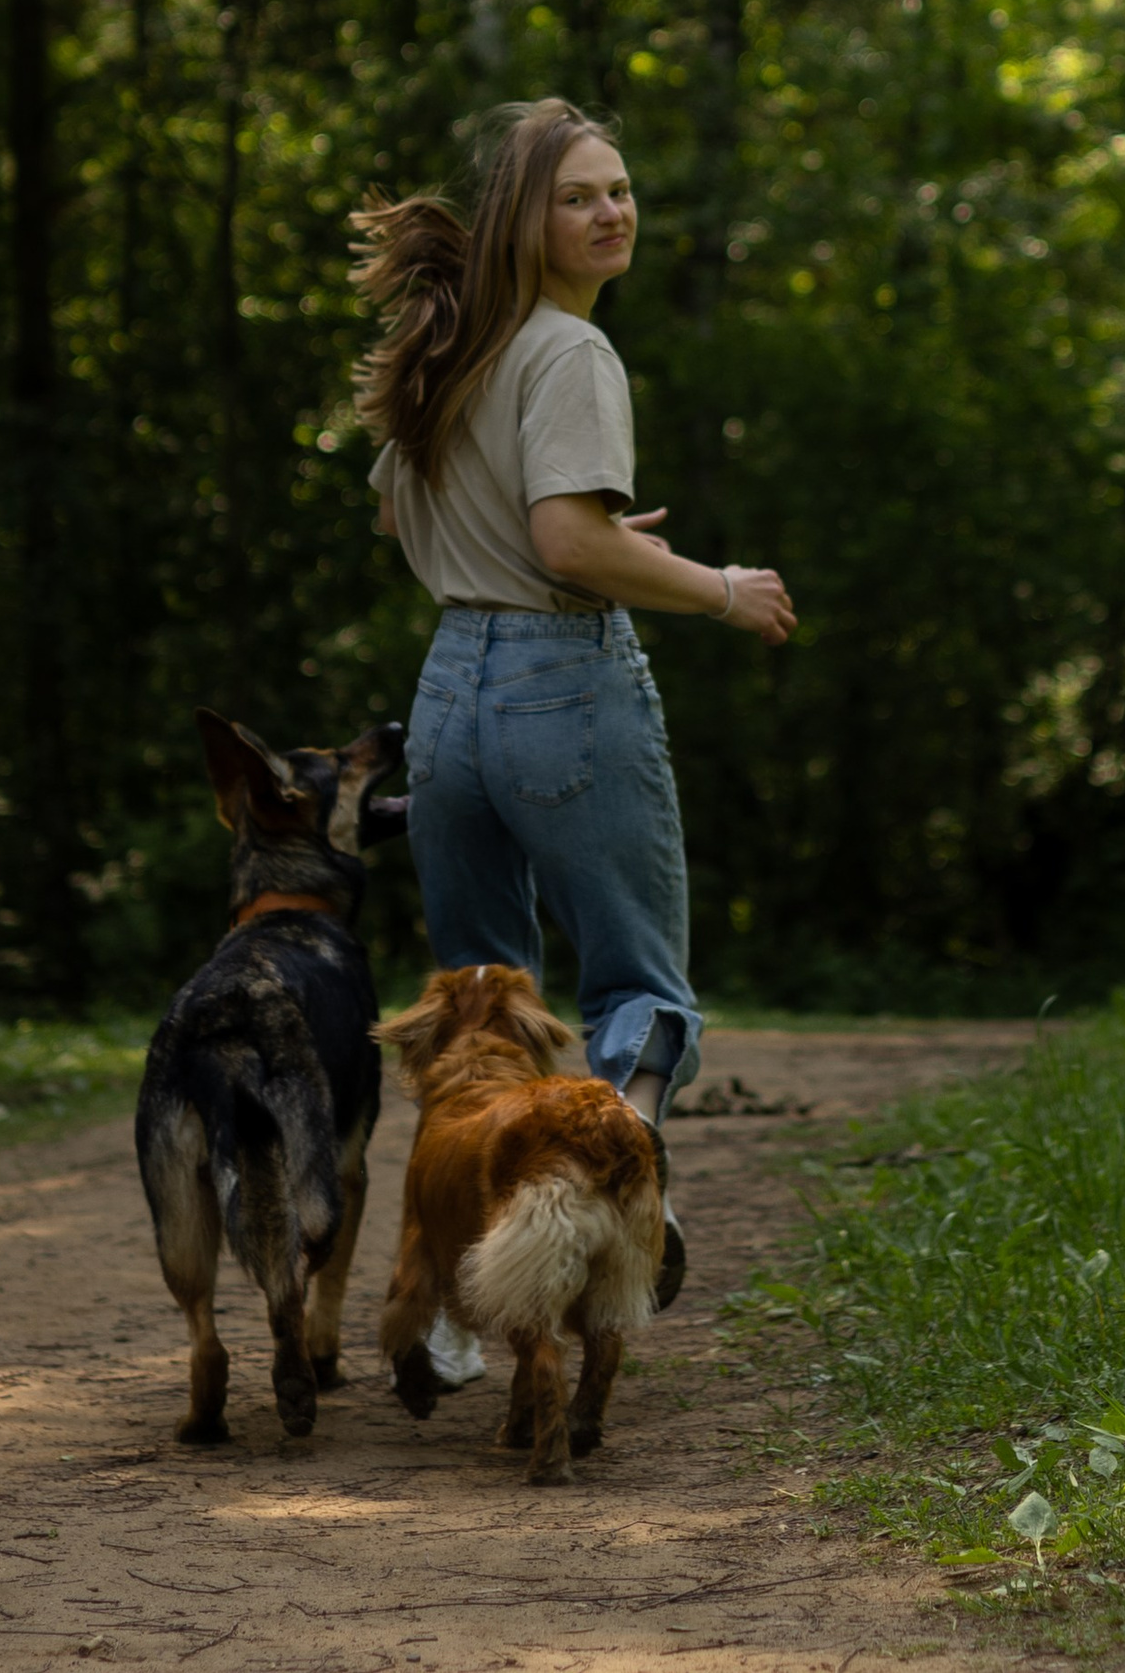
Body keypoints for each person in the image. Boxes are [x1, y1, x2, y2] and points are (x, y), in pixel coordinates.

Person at [353, 96, 794, 1364]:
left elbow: (399, 519)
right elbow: (562, 541)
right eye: (578, 196)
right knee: (638, 980)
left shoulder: (458, 344)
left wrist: (590, 544)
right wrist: (719, 587)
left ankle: (456, 1301)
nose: (611, 211)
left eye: (619, 188)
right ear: (525, 220)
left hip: (451, 689)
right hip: (563, 678)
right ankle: (620, 1192)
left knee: (486, 1005)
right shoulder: (569, 353)